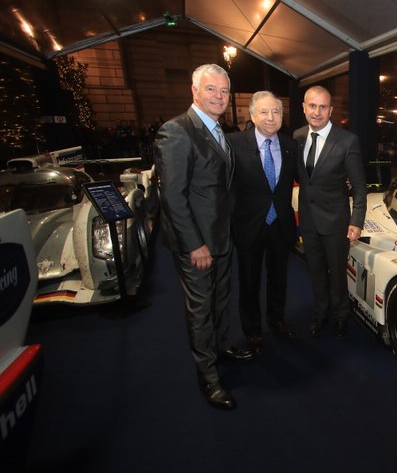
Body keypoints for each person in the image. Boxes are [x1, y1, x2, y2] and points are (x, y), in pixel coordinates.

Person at [154, 63, 254, 411]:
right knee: (200, 309)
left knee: (221, 298)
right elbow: (173, 197)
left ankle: (223, 344)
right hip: (196, 243)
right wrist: (195, 244)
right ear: (194, 91)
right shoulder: (177, 131)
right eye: (211, 89)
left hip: (221, 237)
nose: (219, 96)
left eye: (224, 91)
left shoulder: (217, 130)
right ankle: (208, 376)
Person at [293, 85, 367, 339]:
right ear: (304, 108)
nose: (317, 112)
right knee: (315, 271)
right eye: (312, 106)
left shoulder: (348, 141)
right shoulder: (297, 136)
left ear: (331, 110)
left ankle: (340, 316)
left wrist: (357, 220)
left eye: (323, 106)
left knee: (337, 273)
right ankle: (320, 313)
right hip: (308, 220)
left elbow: (359, 186)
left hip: (336, 221)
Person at [229, 91, 298, 352]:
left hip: (281, 225)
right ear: (252, 115)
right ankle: (252, 330)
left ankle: (276, 320)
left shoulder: (291, 146)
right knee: (249, 281)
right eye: (265, 112)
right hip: (248, 226)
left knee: (279, 278)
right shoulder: (233, 143)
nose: (271, 117)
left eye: (276, 112)